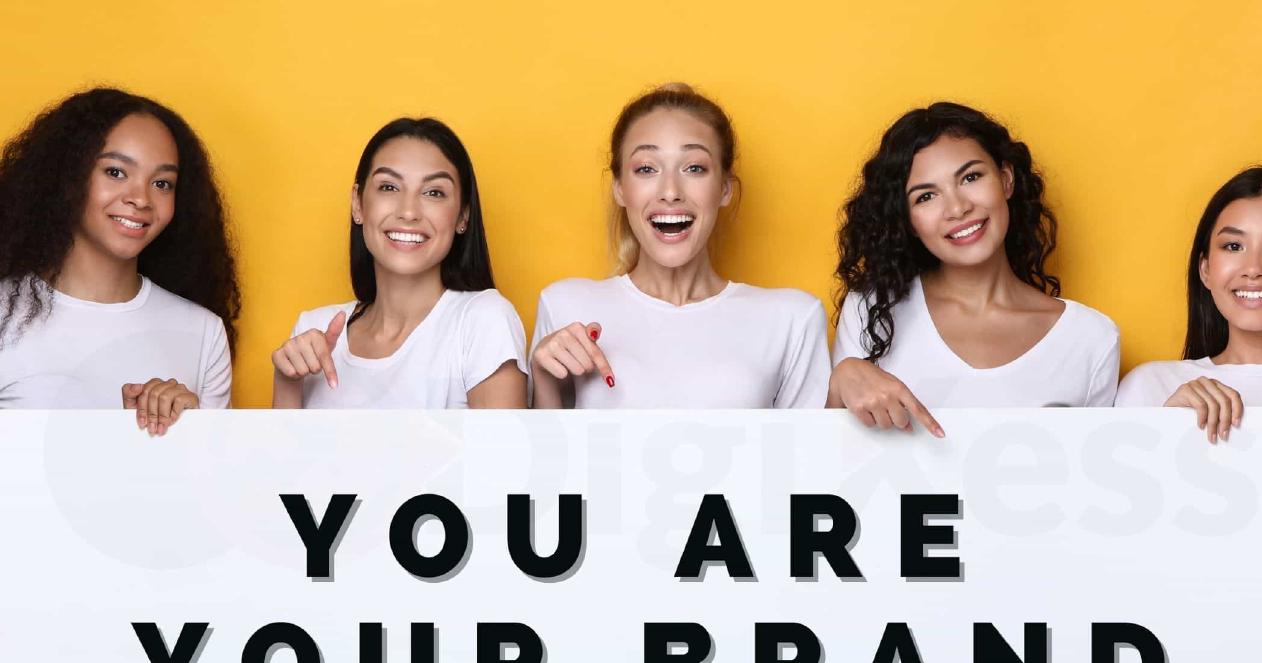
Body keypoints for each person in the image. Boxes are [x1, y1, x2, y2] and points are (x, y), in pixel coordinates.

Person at [529, 83, 829, 409]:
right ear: (620, 189)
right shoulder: (565, 306)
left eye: (694, 168)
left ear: (724, 188)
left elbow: (807, 458)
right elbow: (546, 457)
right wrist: (543, 378)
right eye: (646, 168)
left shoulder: (792, 320)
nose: (670, 191)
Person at [829, 102, 1118, 435]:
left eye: (971, 177)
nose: (958, 207)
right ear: (908, 221)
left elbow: (1093, 478)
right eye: (926, 197)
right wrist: (842, 379)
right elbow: (825, 465)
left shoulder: (1090, 338)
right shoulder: (871, 311)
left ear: (1006, 180)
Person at [0, 88, 239, 434]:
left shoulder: (203, 333)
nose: (141, 198)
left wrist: (191, 436)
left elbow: (218, 482)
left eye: (162, 183)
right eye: (115, 172)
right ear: (68, 176)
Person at [272, 118, 526, 409]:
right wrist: (287, 383)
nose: (408, 211)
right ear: (358, 204)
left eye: (434, 192)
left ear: (462, 216)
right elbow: (282, 455)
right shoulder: (312, 330)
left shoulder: (483, 321)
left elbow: (503, 455)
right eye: (389, 187)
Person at [1116, 164, 1262, 442]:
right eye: (1233, 246)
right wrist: (1166, 429)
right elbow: (1116, 485)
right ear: (1205, 270)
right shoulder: (1151, 387)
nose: (1253, 268)